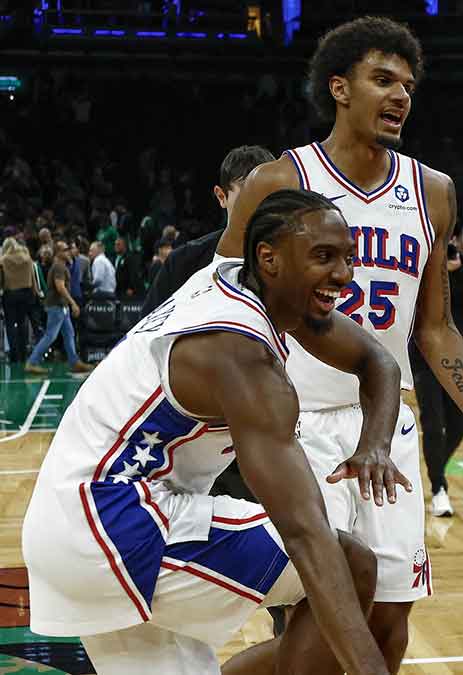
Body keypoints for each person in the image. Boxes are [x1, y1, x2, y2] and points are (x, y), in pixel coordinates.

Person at [215, 17, 463, 671]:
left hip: (390, 427)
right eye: (383, 78)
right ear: (340, 88)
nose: (401, 94)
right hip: (297, 427)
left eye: (408, 83)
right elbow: (219, 304)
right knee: (321, 624)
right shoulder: (279, 180)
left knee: (387, 629)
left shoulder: (432, 191)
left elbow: (435, 330)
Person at [23, 190, 406, 674]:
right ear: (269, 258)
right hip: (118, 522)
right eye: (323, 257)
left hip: (66, 524)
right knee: (348, 564)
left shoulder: (230, 280)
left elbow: (378, 361)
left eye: (347, 258)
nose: (345, 275)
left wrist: (374, 445)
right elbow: (306, 535)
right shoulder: (239, 356)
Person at [141, 145, 275, 316]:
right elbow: (146, 333)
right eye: (249, 191)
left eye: (268, 192)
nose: (260, 202)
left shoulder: (296, 263)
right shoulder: (183, 263)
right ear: (221, 196)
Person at [411, 238, 463, 517]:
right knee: (433, 424)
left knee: (459, 424)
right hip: (423, 355)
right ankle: (438, 489)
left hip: (457, 358)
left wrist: (458, 270)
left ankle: (435, 471)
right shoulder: (422, 264)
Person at [25, 240, 92, 376]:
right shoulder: (59, 267)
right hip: (57, 306)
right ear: (60, 252)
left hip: (61, 306)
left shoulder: (60, 266)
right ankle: (32, 362)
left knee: (69, 334)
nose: (70, 252)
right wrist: (73, 303)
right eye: (67, 249)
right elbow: (60, 287)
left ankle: (74, 362)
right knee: (51, 335)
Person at [1, 238, 39, 363]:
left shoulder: (4, 260)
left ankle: (14, 354)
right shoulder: (27, 258)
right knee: (23, 323)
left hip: (10, 294)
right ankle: (23, 352)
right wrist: (35, 291)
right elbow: (33, 276)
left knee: (10, 325)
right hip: (26, 293)